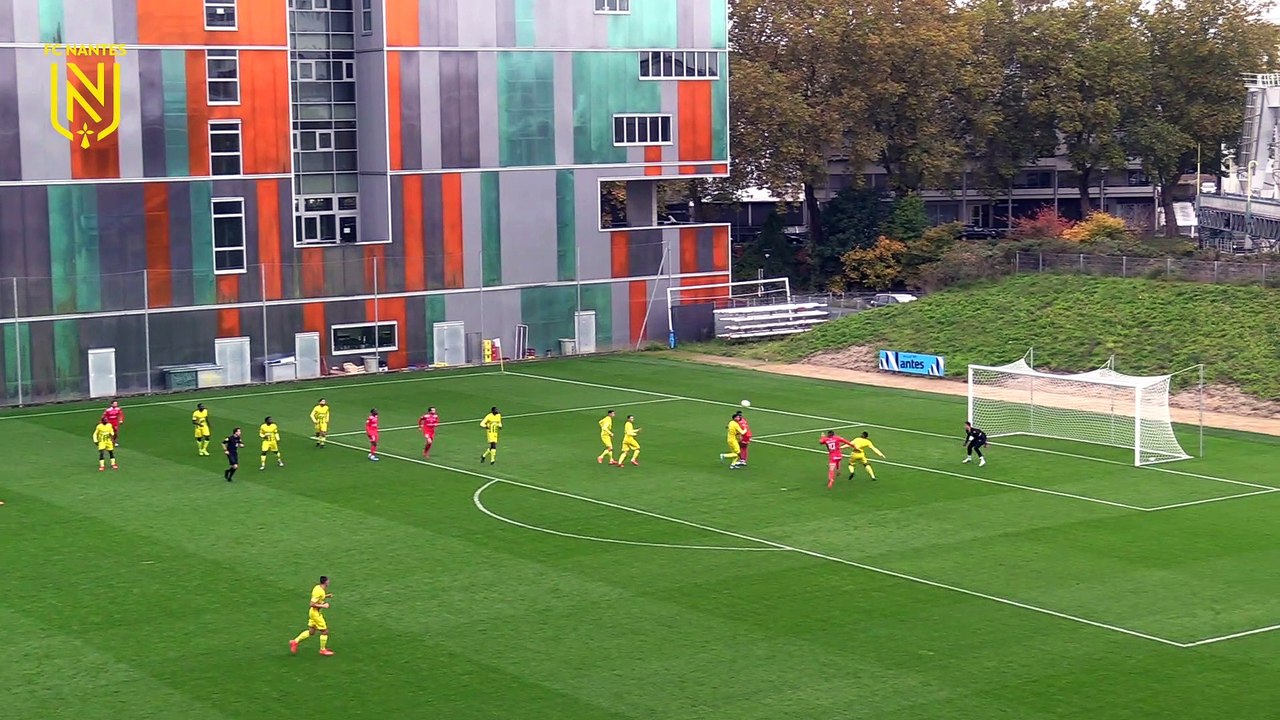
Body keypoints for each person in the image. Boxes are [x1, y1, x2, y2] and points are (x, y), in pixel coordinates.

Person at [289, 576, 335, 656]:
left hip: (313, 613)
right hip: (316, 614)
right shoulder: (319, 591)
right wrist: (323, 606)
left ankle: (294, 642)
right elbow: (311, 604)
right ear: (325, 582)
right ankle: (322, 650)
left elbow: (318, 597)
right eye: (328, 581)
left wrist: (327, 596)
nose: (329, 582)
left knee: (311, 631)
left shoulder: (318, 587)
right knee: (325, 631)